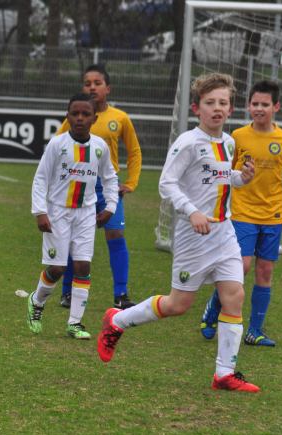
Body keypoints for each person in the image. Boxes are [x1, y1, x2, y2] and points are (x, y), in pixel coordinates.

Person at [96, 73, 260, 393]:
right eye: (210, 103)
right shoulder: (187, 142)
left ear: (230, 109)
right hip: (192, 235)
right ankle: (118, 320)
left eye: (223, 103)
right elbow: (166, 184)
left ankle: (224, 373)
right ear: (197, 108)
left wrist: (243, 177)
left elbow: (221, 179)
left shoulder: (228, 143)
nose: (217, 108)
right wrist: (192, 211)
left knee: (235, 295)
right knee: (177, 305)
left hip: (223, 231)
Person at [199, 80, 282, 347]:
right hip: (241, 213)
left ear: (276, 107)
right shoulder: (237, 137)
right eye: (255, 104)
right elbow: (221, 172)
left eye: (264, 104)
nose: (259, 109)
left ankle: (254, 330)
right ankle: (212, 312)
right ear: (248, 106)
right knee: (241, 267)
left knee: (264, 272)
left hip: (273, 217)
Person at [27, 93, 119, 339]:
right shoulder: (57, 144)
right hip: (58, 211)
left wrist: (109, 207)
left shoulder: (100, 147)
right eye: (74, 114)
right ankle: (36, 302)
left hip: (86, 213)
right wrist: (40, 212)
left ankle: (75, 323)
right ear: (67, 116)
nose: (79, 118)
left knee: (82, 265)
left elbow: (110, 178)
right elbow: (41, 178)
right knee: (57, 268)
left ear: (94, 118)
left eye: (85, 114)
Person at [56, 64, 142, 310]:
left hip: (108, 186)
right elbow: (57, 147)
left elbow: (134, 152)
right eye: (87, 83)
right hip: (80, 185)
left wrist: (131, 182)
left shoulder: (120, 118)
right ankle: (68, 292)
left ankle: (121, 294)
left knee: (115, 234)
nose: (92, 87)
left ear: (108, 88)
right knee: (75, 239)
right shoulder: (75, 117)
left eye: (97, 83)